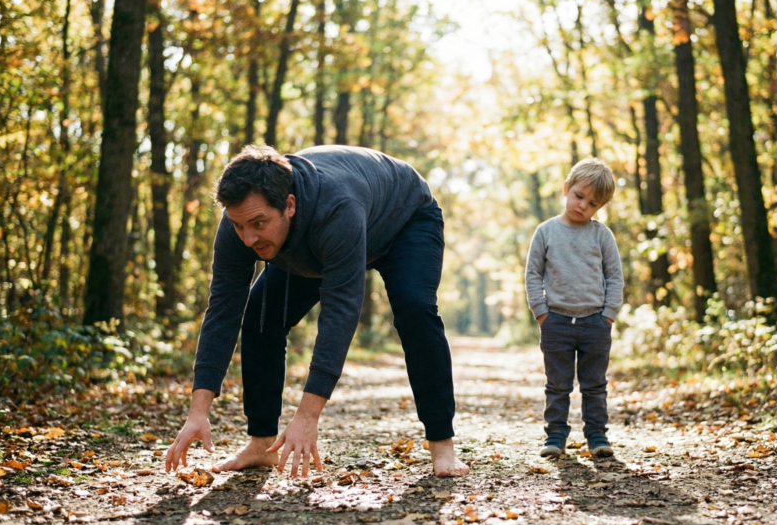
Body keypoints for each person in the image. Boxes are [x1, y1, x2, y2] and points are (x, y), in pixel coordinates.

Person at [164, 144, 469, 478]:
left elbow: (340, 311)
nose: (248, 238)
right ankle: (261, 443)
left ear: (289, 205)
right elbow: (223, 307)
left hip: (404, 221)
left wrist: (307, 417)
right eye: (239, 226)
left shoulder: (337, 207)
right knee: (260, 318)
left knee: (414, 310)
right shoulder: (241, 224)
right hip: (309, 244)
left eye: (258, 223)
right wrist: (198, 411)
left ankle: (442, 445)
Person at [524, 158, 623, 458]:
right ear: (566, 189)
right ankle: (555, 437)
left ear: (599, 208)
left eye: (592, 203)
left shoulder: (602, 235)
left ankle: (597, 437)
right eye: (579, 196)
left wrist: (608, 315)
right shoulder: (546, 232)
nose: (582, 205)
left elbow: (614, 276)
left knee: (594, 385)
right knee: (558, 385)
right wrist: (541, 312)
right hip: (556, 322)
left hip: (595, 323)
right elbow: (533, 274)